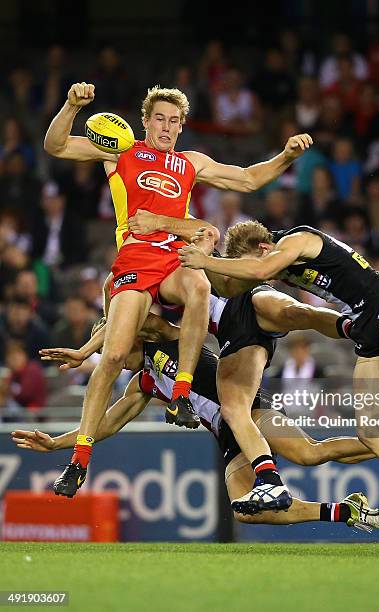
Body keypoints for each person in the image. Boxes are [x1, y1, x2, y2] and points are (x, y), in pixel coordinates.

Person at [43, 81, 313, 496]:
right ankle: (78, 459)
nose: (167, 127)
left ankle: (182, 392)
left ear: (181, 126)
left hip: (171, 256)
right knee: (115, 355)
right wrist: (70, 105)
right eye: (160, 119)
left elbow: (246, 179)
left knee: (199, 287)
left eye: (174, 121)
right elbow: (57, 145)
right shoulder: (122, 150)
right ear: (145, 122)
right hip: (133, 259)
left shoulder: (190, 162)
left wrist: (286, 156)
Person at [177, 219, 379, 546]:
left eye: (254, 261)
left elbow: (260, 273)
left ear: (264, 248)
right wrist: (206, 260)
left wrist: (204, 260)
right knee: (370, 430)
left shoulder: (296, 240)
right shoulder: (271, 259)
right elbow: (236, 283)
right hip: (363, 324)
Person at [25, 314, 379, 531]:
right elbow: (107, 423)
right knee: (247, 511)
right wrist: (59, 444)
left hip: (248, 410)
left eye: (112, 351)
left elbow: (137, 317)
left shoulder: (165, 334)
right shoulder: (144, 382)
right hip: (227, 434)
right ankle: (344, 512)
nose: (111, 361)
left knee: (310, 453)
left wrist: (89, 346)